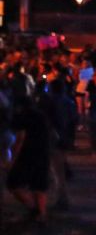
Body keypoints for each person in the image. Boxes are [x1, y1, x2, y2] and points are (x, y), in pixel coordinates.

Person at [5, 96, 52, 224]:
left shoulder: (23, 117)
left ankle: (33, 209)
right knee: (39, 184)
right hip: (43, 152)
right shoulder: (41, 116)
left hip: (28, 154)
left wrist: (12, 160)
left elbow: (20, 139)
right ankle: (41, 214)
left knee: (13, 183)